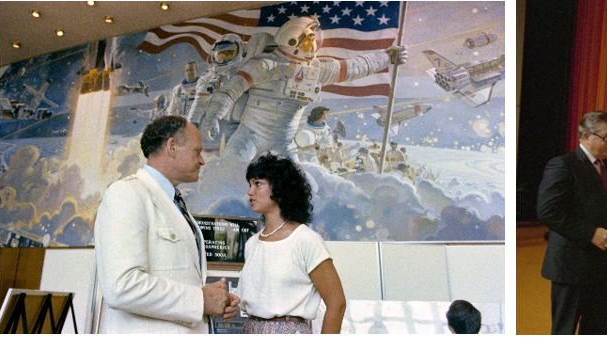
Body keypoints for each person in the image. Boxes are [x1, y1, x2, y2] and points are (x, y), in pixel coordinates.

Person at [94, 115, 239, 333]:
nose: (202, 161)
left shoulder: (175, 204)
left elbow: (178, 279)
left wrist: (213, 302)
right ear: (172, 147)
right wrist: (200, 300)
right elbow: (121, 286)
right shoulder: (127, 193)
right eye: (196, 151)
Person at [198, 16, 407, 163]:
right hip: (248, 136)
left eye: (313, 39)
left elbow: (355, 67)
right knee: (228, 174)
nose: (313, 43)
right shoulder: (266, 64)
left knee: (303, 192)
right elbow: (230, 89)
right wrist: (213, 116)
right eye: (307, 39)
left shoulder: (318, 70)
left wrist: (387, 57)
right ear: (292, 38)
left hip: (283, 143)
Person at [536, 111, 607, 335]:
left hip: (603, 266)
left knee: (597, 329)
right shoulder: (563, 165)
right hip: (572, 266)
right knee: (565, 329)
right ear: (587, 136)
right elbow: (548, 211)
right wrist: (590, 233)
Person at [238, 153, 347, 334]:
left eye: (258, 184)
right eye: (250, 184)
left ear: (280, 189)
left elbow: (337, 303)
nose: (250, 191)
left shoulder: (305, 240)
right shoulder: (252, 244)